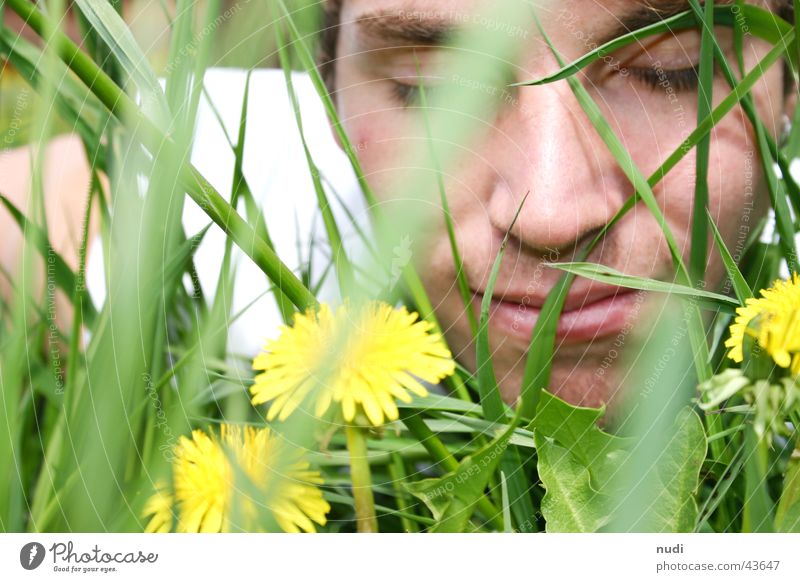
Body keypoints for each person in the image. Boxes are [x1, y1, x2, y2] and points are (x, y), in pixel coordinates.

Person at [0, 0, 796, 411]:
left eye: (670, 70)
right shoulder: (231, 195)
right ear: (330, 99)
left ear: (789, 86)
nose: (551, 210)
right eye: (431, 90)